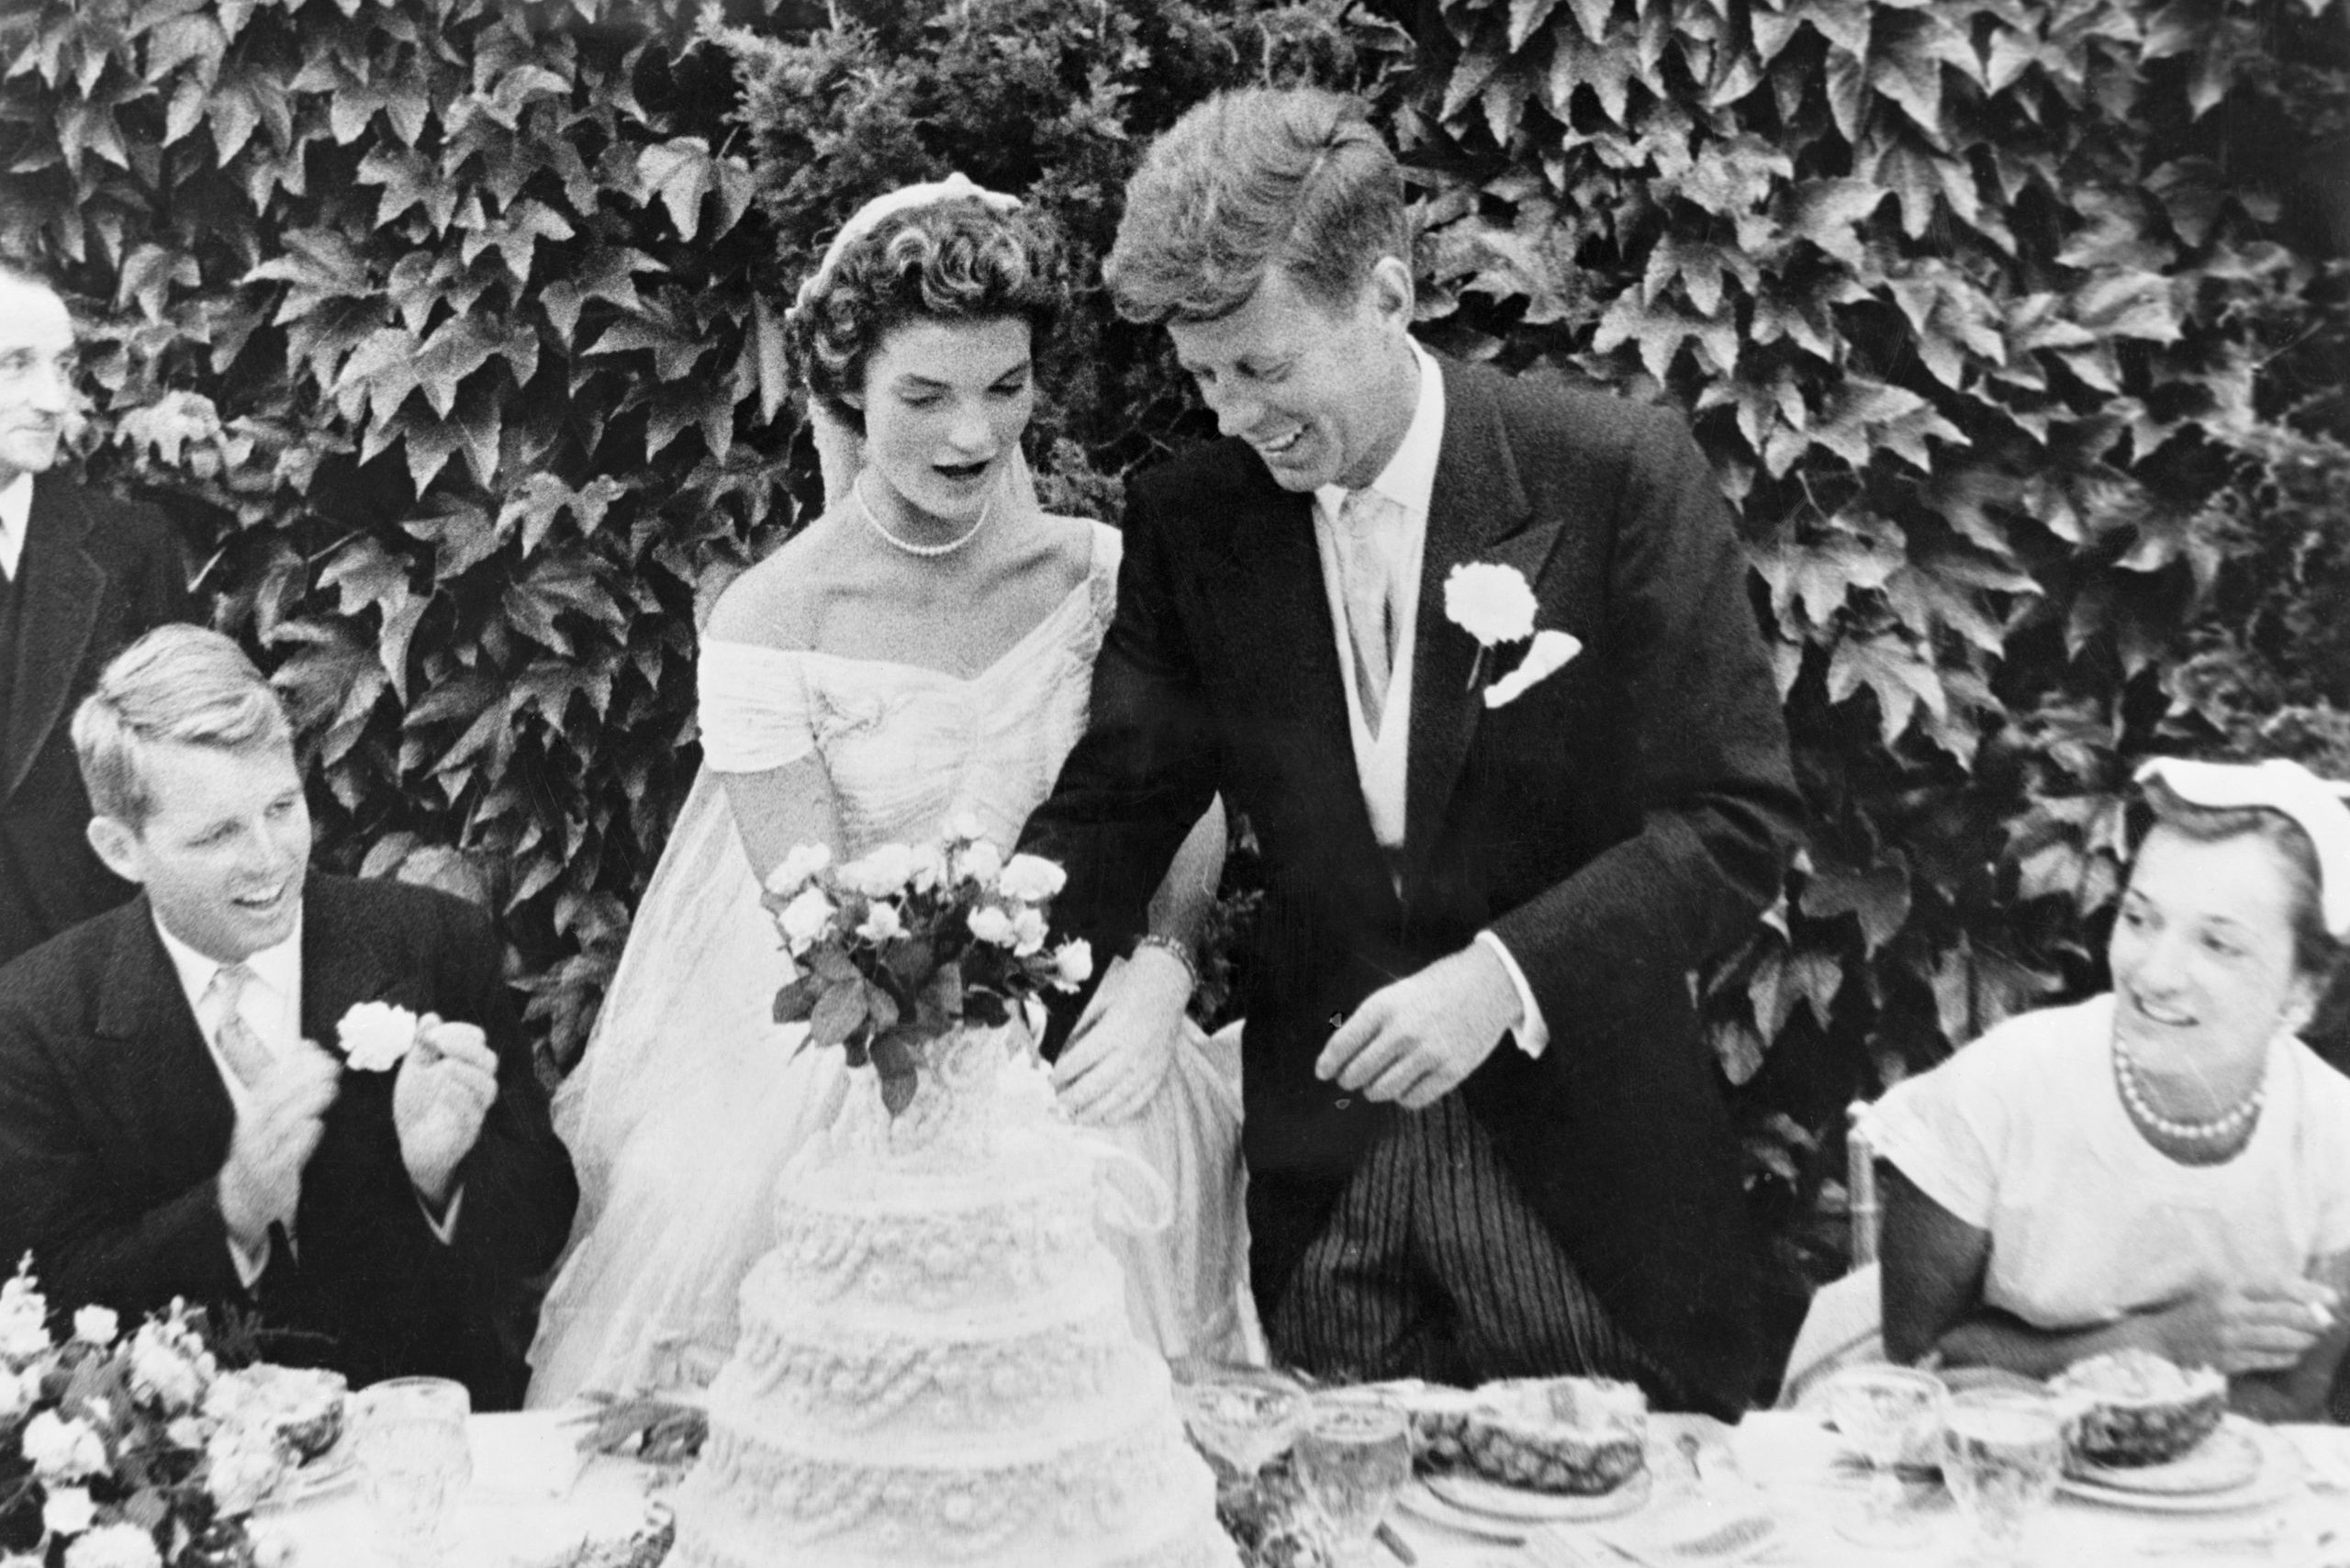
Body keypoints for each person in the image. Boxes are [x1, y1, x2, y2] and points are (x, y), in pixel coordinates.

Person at [1019, 87, 1802, 1415]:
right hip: (1330, 1193)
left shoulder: (1610, 472)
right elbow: (1116, 807)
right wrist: (969, 989)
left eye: (1263, 368)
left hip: (1591, 1188)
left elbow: (1732, 822)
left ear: (1386, 294)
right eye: (1202, 378)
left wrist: (1501, 980)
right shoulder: (1194, 518)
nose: (1231, 417)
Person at [526, 179, 1253, 1406]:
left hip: (1088, 1028)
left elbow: (1181, 796)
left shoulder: (1104, 573)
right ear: (847, 387)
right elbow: (809, 914)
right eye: (924, 395)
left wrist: (1163, 966)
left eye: (1005, 388)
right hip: (863, 1045)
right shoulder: (773, 620)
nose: (973, 435)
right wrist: (960, 1082)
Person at [0, 625, 578, 1409]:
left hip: (430, 1438)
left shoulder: (433, 941)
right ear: (120, 849)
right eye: (216, 835)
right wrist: (231, 1212)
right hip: (191, 1469)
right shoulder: (33, 1020)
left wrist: (440, 1175)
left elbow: (543, 1224)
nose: (270, 858)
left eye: (281, 806)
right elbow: (52, 1299)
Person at [1875, 756, 2350, 1422]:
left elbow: (2294, 1400)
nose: (2153, 974)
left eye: (2217, 944)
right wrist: (2152, 1344)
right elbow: (1918, 1356)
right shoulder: (2004, 1085)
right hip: (1986, 1459)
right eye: (2139, 918)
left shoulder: (2336, 1136)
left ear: (2301, 992)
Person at [0, 260, 191, 966]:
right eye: (15, 365)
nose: (54, 399)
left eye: (64, 366)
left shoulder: (128, 548)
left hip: (87, 969)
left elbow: (186, 774)